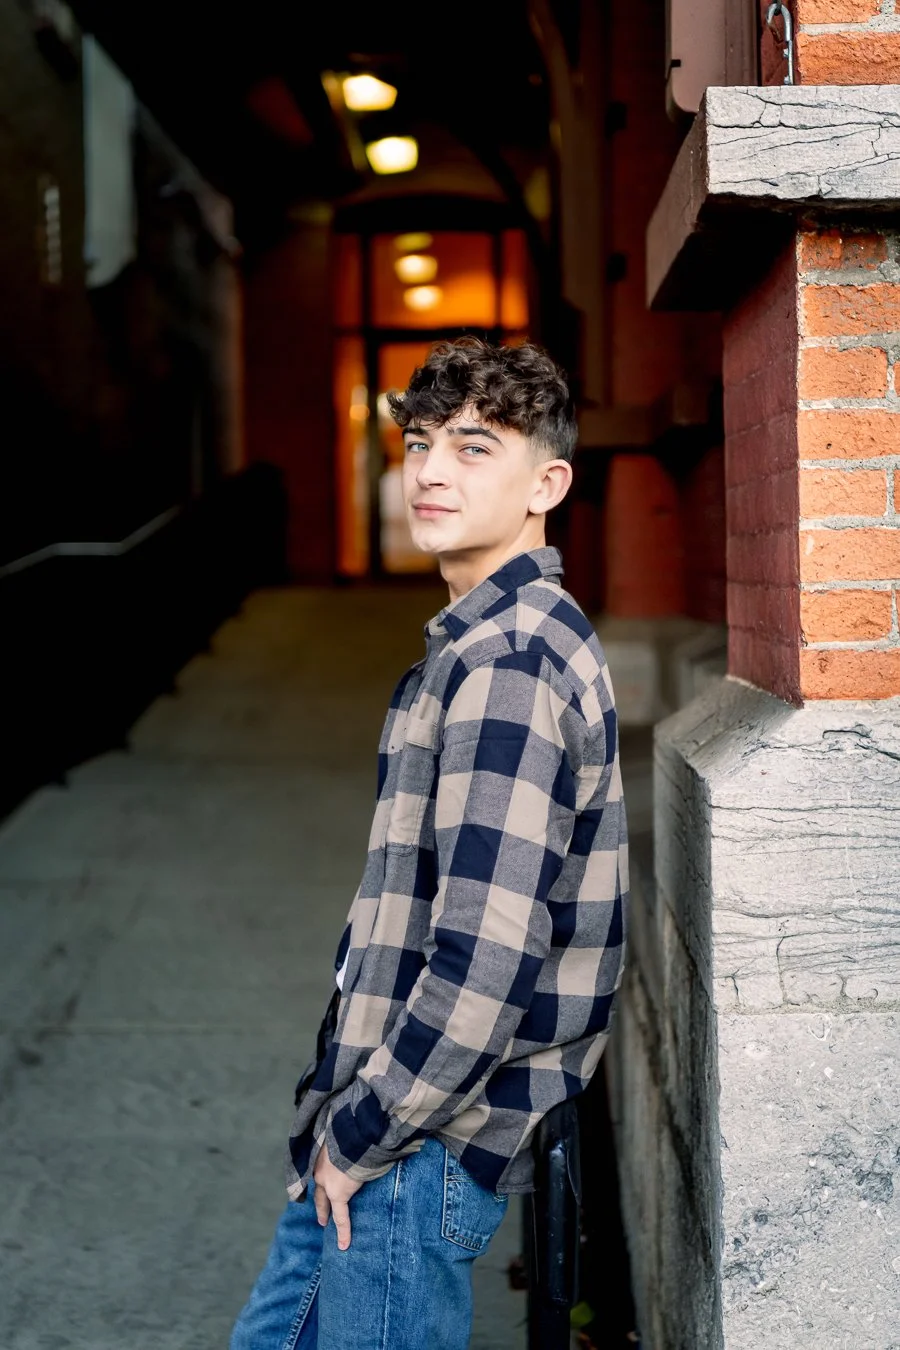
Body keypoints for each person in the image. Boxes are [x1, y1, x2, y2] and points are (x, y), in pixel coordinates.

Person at [230, 338, 628, 1350]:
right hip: (385, 1124)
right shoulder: (490, 641)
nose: (431, 470)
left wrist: (364, 1132)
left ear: (547, 485)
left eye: (474, 446)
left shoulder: (508, 666)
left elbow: (486, 961)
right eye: (419, 443)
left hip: (412, 1145)